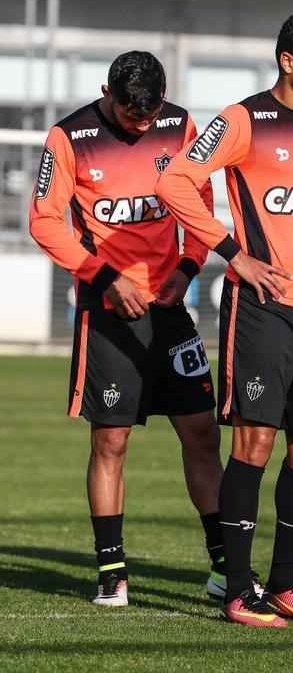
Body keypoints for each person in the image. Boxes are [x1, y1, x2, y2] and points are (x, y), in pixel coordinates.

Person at [156, 11, 293, 628]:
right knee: (254, 444)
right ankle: (237, 588)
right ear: (288, 62)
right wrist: (234, 255)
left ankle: (286, 587)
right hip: (261, 313)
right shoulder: (243, 119)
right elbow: (177, 182)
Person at [29, 51, 225, 607]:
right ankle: (112, 571)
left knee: (201, 433)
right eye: (129, 111)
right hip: (109, 310)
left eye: (150, 111)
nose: (141, 121)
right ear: (106, 92)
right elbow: (45, 220)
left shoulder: (180, 124)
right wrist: (107, 278)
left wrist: (188, 269)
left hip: (168, 306)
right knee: (111, 440)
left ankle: (222, 568)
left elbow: (200, 202)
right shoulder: (69, 137)